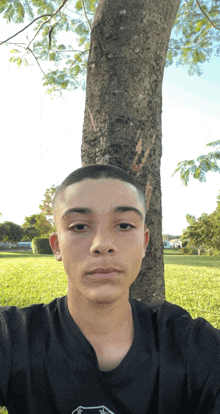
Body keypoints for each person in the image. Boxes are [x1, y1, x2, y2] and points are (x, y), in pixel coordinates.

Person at [0, 164, 220, 414]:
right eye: (80, 226)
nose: (102, 244)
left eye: (124, 225)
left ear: (144, 243)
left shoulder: (192, 345)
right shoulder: (13, 338)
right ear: (57, 246)